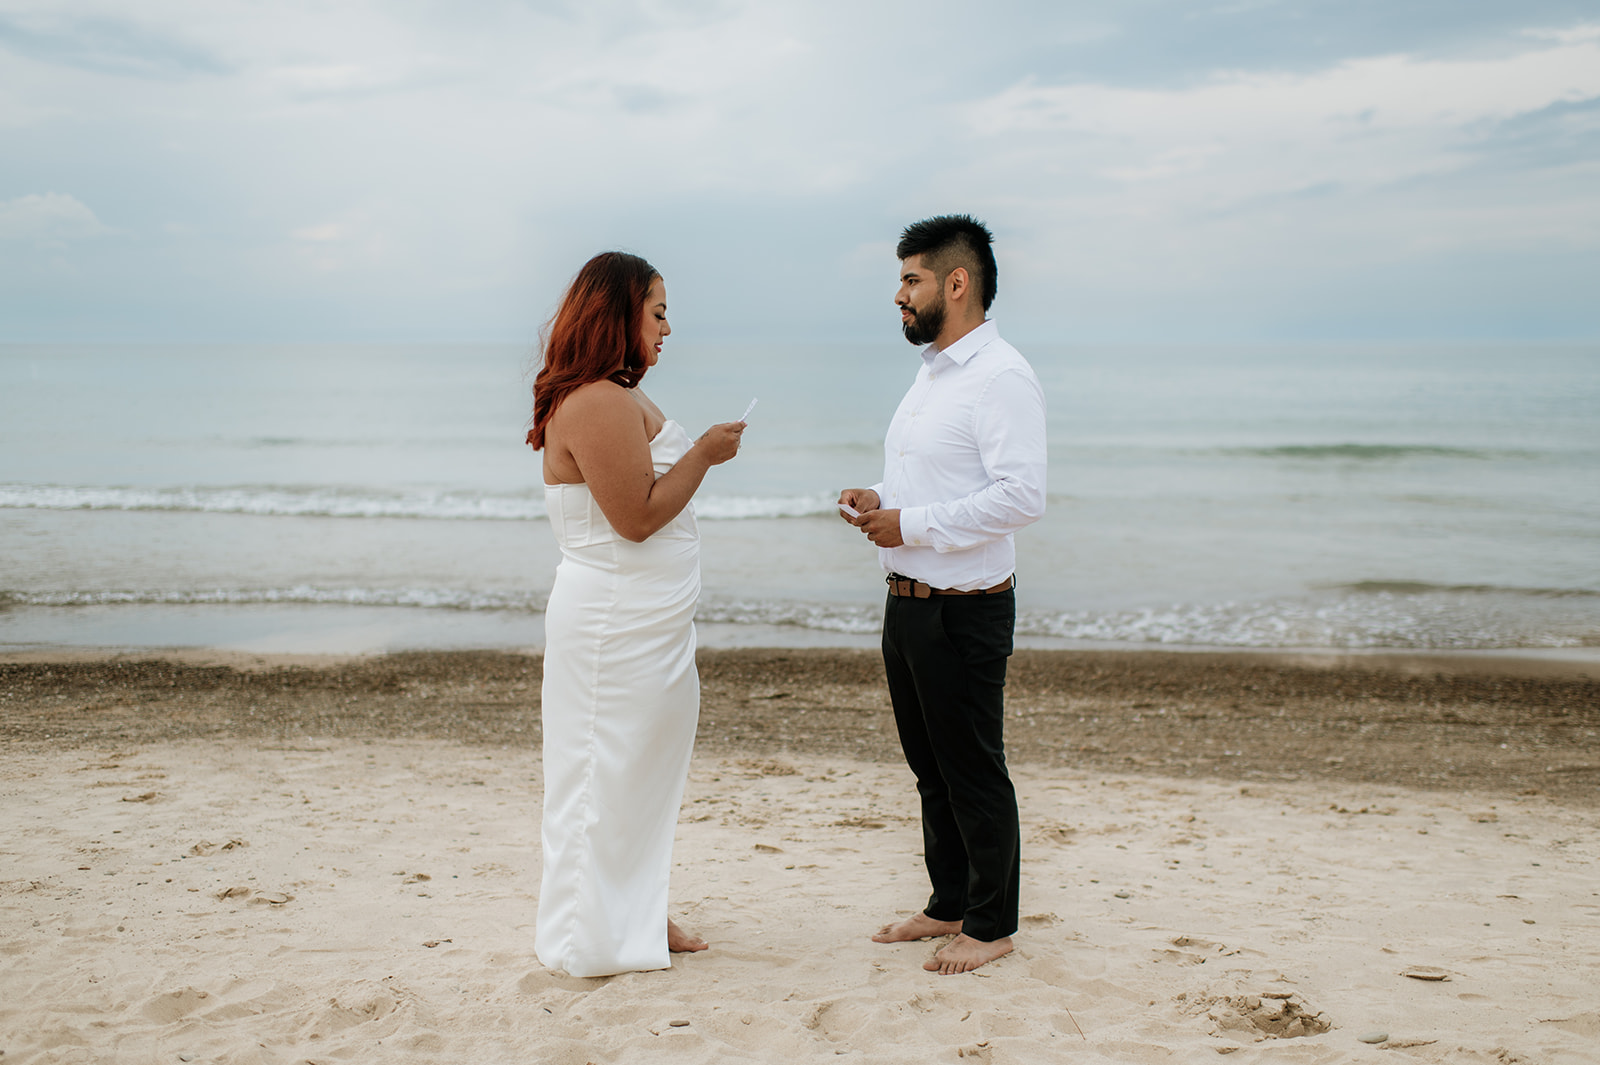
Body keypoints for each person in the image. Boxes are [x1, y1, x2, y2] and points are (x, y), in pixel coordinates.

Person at [525, 250, 745, 978]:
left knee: (643, 775)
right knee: (602, 775)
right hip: (613, 626)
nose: (668, 326)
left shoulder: (622, 395)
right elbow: (637, 518)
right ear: (618, 314)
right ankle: (593, 933)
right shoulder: (596, 402)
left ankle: (637, 909)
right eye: (657, 311)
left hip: (649, 627)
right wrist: (707, 453)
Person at [838, 215, 1047, 975]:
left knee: (973, 766)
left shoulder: (1002, 375)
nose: (899, 294)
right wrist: (881, 498)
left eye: (910, 279)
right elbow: (941, 480)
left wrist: (910, 519)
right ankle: (949, 902)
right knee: (931, 766)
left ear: (956, 283)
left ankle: (991, 925)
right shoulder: (934, 371)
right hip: (909, 599)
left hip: (965, 608)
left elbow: (1023, 496)